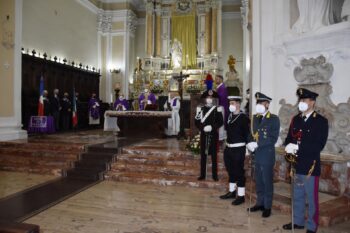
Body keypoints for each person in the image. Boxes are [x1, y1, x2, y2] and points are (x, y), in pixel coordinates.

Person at [282, 88, 328, 233]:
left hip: (310, 166)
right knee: (297, 196)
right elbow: (290, 138)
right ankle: (298, 221)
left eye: (304, 100)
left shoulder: (321, 121)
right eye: (300, 100)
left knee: (312, 199)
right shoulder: (295, 119)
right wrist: (288, 145)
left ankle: (312, 226)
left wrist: (297, 147)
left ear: (312, 102)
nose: (301, 102)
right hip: (296, 164)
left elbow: (318, 145)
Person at [246, 92, 280, 218]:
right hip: (256, 155)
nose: (259, 105)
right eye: (258, 103)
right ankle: (259, 203)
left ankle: (267, 206)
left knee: (267, 181)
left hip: (266, 155)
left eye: (261, 103)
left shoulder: (274, 119)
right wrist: (249, 143)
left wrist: (257, 144)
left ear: (267, 104)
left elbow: (273, 138)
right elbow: (251, 133)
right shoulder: (255, 118)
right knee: (258, 181)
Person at [219, 96, 253, 205]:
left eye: (232, 103)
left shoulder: (243, 118)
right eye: (230, 103)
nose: (231, 105)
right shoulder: (230, 116)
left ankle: (241, 195)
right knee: (231, 170)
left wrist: (249, 145)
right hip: (229, 148)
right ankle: (232, 191)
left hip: (238, 149)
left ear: (238, 104)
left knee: (239, 172)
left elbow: (247, 133)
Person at [195, 90, 223, 181]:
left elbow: (220, 122)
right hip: (204, 134)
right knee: (203, 154)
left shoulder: (217, 109)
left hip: (213, 134)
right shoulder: (201, 109)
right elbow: (197, 121)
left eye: (211, 98)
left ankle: (215, 175)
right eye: (208, 98)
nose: (209, 99)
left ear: (213, 99)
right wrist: (202, 128)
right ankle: (202, 174)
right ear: (205, 99)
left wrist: (213, 127)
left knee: (214, 155)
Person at [215, 74, 228, 141]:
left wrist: (214, 95)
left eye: (217, 79)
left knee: (221, 121)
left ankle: (221, 136)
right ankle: (220, 136)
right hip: (220, 106)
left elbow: (221, 97)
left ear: (221, 79)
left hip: (221, 107)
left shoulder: (222, 87)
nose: (215, 80)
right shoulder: (219, 87)